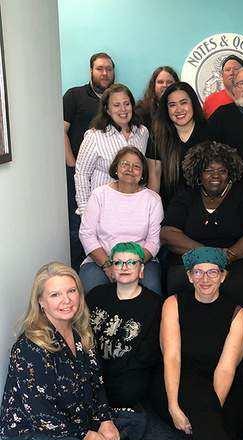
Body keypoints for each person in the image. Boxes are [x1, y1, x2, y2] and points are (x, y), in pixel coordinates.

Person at [0, 262, 143, 440]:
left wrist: (105, 420)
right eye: (55, 295)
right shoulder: (29, 346)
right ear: (41, 301)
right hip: (33, 431)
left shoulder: (81, 332)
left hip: (77, 415)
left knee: (136, 420)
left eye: (71, 291)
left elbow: (96, 383)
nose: (66, 300)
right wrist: (86, 435)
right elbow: (42, 413)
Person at [160, 247, 243, 440]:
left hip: (223, 380)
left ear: (223, 276)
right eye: (198, 272)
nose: (205, 279)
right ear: (190, 276)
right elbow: (172, 357)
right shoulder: (173, 304)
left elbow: (226, 368)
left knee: (223, 425)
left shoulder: (237, 313)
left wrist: (212, 412)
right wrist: (173, 406)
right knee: (208, 422)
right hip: (181, 377)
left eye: (212, 272)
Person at [160, 140, 243, 310]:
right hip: (191, 257)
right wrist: (207, 254)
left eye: (222, 171)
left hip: (234, 260)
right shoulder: (186, 193)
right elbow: (168, 232)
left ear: (230, 172)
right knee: (178, 279)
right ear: (198, 173)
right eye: (208, 171)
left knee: (238, 284)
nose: (215, 175)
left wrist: (227, 256)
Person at [87, 242, 162, 420]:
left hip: (128, 372)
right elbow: (82, 332)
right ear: (112, 269)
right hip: (94, 367)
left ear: (141, 269)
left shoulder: (155, 304)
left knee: (126, 394)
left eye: (131, 262)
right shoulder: (96, 294)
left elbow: (149, 352)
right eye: (118, 262)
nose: (124, 267)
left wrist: (112, 373)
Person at [79, 146, 163, 294]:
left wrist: (133, 264)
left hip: (142, 261)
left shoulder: (153, 199)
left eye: (136, 166)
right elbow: (86, 234)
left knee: (151, 289)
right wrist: (108, 265)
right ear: (116, 168)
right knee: (93, 289)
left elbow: (153, 241)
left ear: (142, 174)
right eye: (125, 164)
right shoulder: (99, 195)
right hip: (102, 260)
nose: (130, 169)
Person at [63, 52, 115, 271]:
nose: (105, 73)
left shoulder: (116, 98)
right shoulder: (75, 95)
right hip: (79, 173)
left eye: (109, 69)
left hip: (105, 176)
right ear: (91, 71)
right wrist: (72, 163)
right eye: (99, 68)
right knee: (79, 225)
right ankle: (79, 272)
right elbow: (60, 130)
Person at [74, 83, 148, 215]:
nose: (123, 109)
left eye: (126, 104)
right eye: (116, 105)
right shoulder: (94, 136)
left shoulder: (142, 133)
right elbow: (82, 175)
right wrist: (85, 210)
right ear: (107, 110)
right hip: (102, 210)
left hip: (134, 210)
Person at [147, 81, 208, 202]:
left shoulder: (209, 132)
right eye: (172, 105)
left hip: (203, 207)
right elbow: (154, 180)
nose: (179, 109)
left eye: (183, 103)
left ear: (193, 103)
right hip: (169, 207)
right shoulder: (157, 136)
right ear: (166, 109)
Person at [135, 66, 179, 131]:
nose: (165, 85)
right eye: (160, 82)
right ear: (153, 86)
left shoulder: (181, 110)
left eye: (169, 82)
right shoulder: (142, 112)